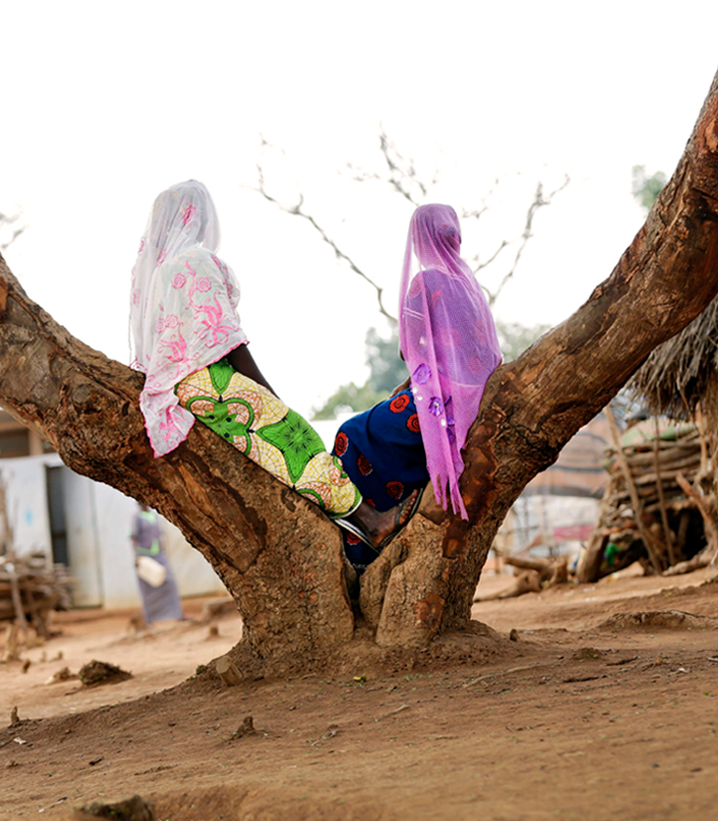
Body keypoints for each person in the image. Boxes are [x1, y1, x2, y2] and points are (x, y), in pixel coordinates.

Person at [128, 180, 405, 548]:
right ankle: (369, 520)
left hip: (179, 385)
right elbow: (223, 337)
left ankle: (348, 521)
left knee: (277, 442)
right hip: (208, 378)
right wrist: (268, 394)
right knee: (292, 435)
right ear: (198, 215)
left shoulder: (158, 272)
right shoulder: (195, 261)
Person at [333, 204, 502, 566]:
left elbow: (407, 348)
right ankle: (399, 502)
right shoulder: (470, 284)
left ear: (420, 239)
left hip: (438, 405)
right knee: (382, 425)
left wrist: (412, 383)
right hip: (471, 402)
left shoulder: (425, 283)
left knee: (350, 433)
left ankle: (366, 541)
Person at [131, 502, 184, 625]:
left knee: (169, 582)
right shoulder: (137, 518)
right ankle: (150, 620)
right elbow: (134, 537)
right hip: (144, 555)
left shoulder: (154, 515)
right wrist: (137, 557)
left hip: (159, 554)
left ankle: (177, 614)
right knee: (147, 589)